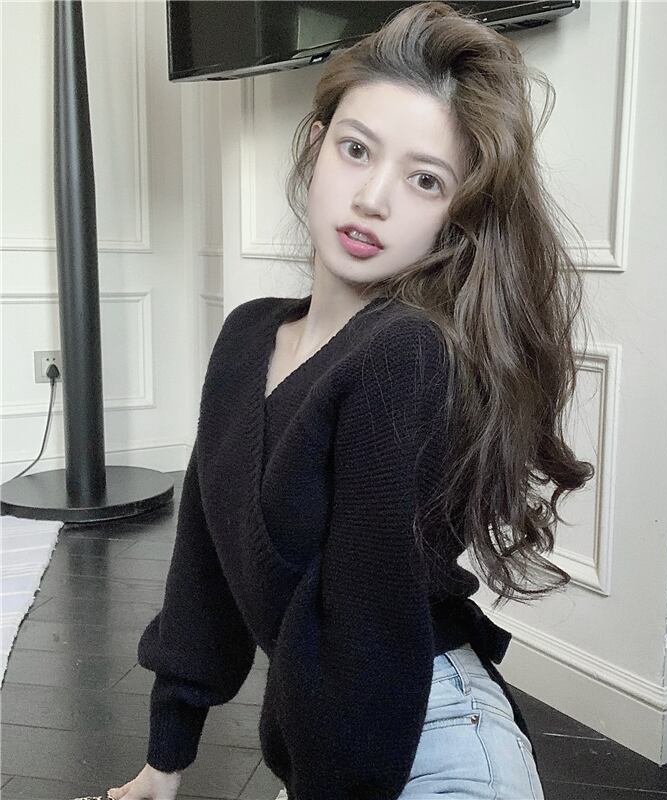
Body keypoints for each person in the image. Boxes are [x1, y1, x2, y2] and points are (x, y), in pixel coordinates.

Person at [107, 2, 594, 798]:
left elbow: (369, 634)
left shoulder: (403, 353)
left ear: (455, 216)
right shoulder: (246, 336)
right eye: (357, 149)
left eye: (425, 180)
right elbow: (203, 556)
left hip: (427, 735)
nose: (373, 198)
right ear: (315, 146)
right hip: (327, 736)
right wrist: (164, 762)